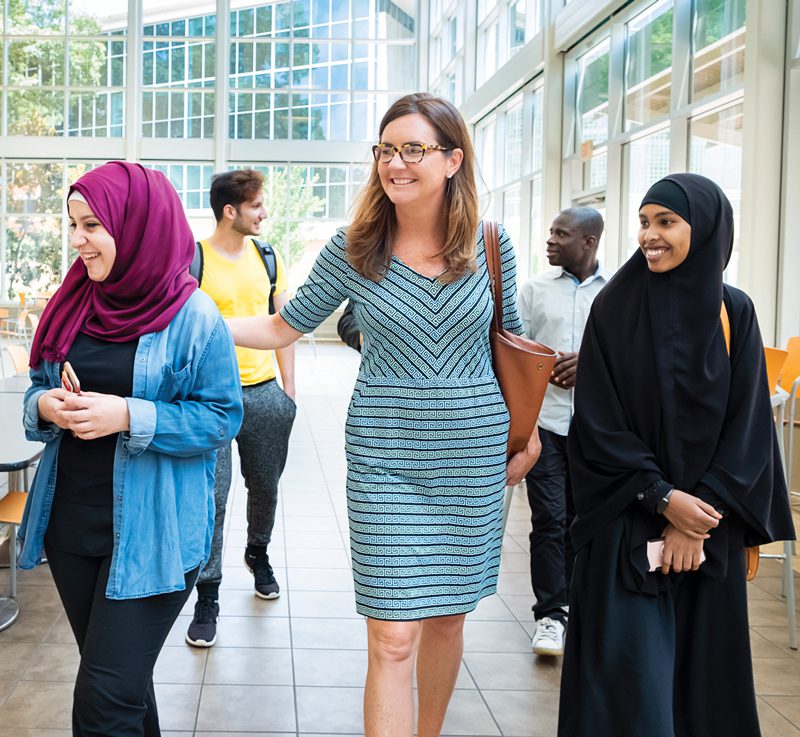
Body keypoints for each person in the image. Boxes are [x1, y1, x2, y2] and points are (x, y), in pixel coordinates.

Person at [227, 92, 542, 737]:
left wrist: (527, 430)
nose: (394, 164)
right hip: (385, 458)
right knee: (393, 633)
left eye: (412, 150)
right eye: (385, 150)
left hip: (472, 456)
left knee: (448, 618)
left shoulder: (489, 242)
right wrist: (191, 317)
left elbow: (513, 342)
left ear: (453, 160)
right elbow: (284, 328)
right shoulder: (356, 246)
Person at [558, 173, 795, 737]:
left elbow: (748, 429)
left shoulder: (734, 312)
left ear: (707, 229)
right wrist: (663, 499)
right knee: (628, 699)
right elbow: (598, 423)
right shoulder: (615, 309)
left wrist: (697, 519)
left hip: (709, 537)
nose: (650, 235)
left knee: (702, 695)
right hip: (626, 530)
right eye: (644, 222)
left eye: (666, 222)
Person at [17, 161, 243, 737]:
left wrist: (126, 415)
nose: (77, 240)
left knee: (102, 703)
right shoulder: (73, 302)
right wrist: (47, 407)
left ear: (136, 224)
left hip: (154, 535)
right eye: (72, 224)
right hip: (73, 529)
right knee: (124, 689)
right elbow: (37, 390)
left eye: (91, 225)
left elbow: (222, 418)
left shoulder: (195, 318)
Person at [184, 169, 296, 648]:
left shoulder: (268, 257)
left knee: (265, 487)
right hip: (210, 397)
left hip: (264, 392)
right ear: (230, 210)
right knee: (213, 498)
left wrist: (289, 391)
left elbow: (285, 321)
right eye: (256, 205)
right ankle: (207, 594)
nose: (264, 213)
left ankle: (259, 551)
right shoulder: (193, 260)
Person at [517, 207, 606, 656]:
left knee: (585, 522)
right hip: (546, 425)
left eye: (562, 234)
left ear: (588, 242)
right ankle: (550, 615)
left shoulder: (618, 295)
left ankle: (580, 607)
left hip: (598, 431)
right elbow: (515, 352)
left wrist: (588, 365)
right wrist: (543, 366)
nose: (550, 240)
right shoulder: (532, 291)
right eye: (550, 231)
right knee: (549, 520)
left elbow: (630, 359)